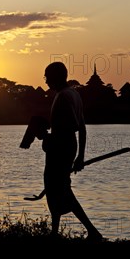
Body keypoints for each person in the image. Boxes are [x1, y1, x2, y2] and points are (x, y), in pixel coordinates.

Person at [43, 62, 102, 241]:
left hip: (61, 147)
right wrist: (80, 155)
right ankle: (54, 232)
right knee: (54, 189)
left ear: (56, 77)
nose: (45, 81)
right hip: (66, 146)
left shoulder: (64, 97)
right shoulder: (73, 94)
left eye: (47, 76)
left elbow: (73, 126)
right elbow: (82, 128)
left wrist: (49, 140)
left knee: (60, 188)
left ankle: (92, 231)